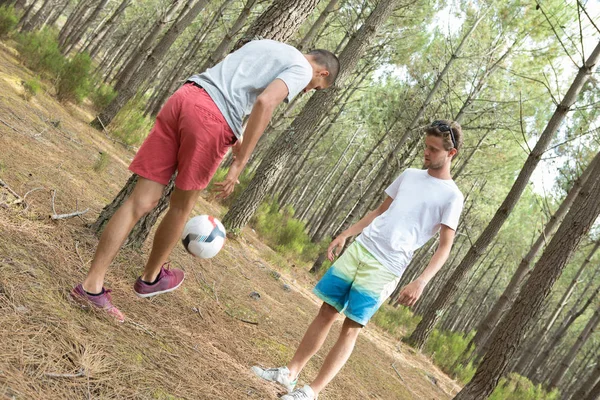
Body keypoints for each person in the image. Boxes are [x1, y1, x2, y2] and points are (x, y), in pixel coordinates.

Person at [71, 40, 340, 322]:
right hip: (211, 120)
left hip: (185, 96)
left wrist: (238, 131)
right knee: (181, 207)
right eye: (315, 88)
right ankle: (151, 278)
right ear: (321, 73)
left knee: (139, 201)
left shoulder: (270, 45)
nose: (308, 91)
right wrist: (240, 161)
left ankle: (91, 286)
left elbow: (237, 85)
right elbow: (265, 102)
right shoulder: (300, 68)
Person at [252, 120, 465, 399]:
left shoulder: (453, 197)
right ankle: (289, 374)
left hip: (386, 267)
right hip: (361, 248)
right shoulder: (410, 175)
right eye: (425, 146)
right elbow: (379, 211)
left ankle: (311, 392)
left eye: (433, 149)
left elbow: (444, 247)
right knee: (327, 311)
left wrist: (421, 281)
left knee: (350, 327)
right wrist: (346, 234)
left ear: (451, 154)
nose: (426, 152)